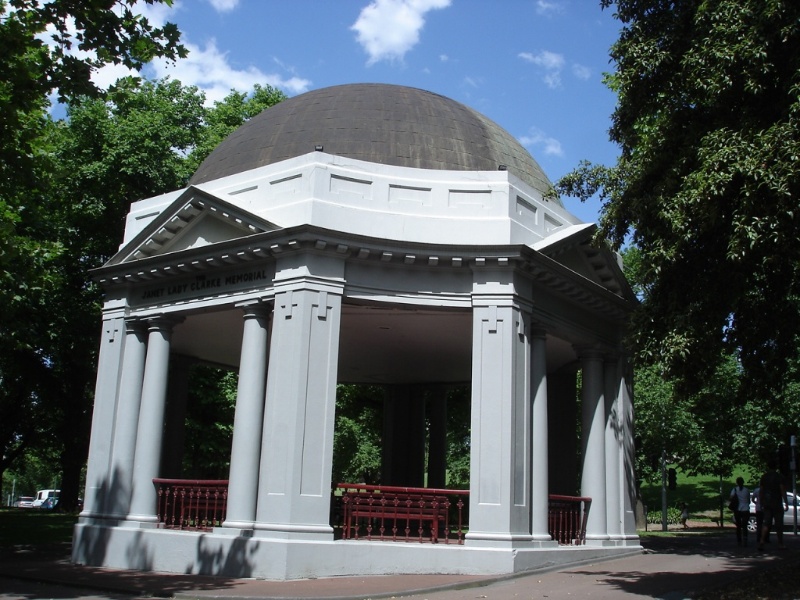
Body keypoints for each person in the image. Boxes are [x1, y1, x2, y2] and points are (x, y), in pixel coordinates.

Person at [758, 459, 788, 551]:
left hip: (767, 503)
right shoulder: (779, 477)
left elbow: (761, 490)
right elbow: (782, 490)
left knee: (766, 523)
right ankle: (780, 543)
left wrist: (761, 501)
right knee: (779, 524)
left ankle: (762, 541)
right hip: (777, 503)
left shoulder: (764, 477)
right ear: (776, 467)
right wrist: (786, 502)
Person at [730, 477, 750, 546]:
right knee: (745, 526)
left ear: (737, 483)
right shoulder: (746, 490)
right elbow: (748, 500)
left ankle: (739, 540)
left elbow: (731, 498)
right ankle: (745, 538)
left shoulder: (735, 489)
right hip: (745, 509)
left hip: (737, 509)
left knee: (738, 526)